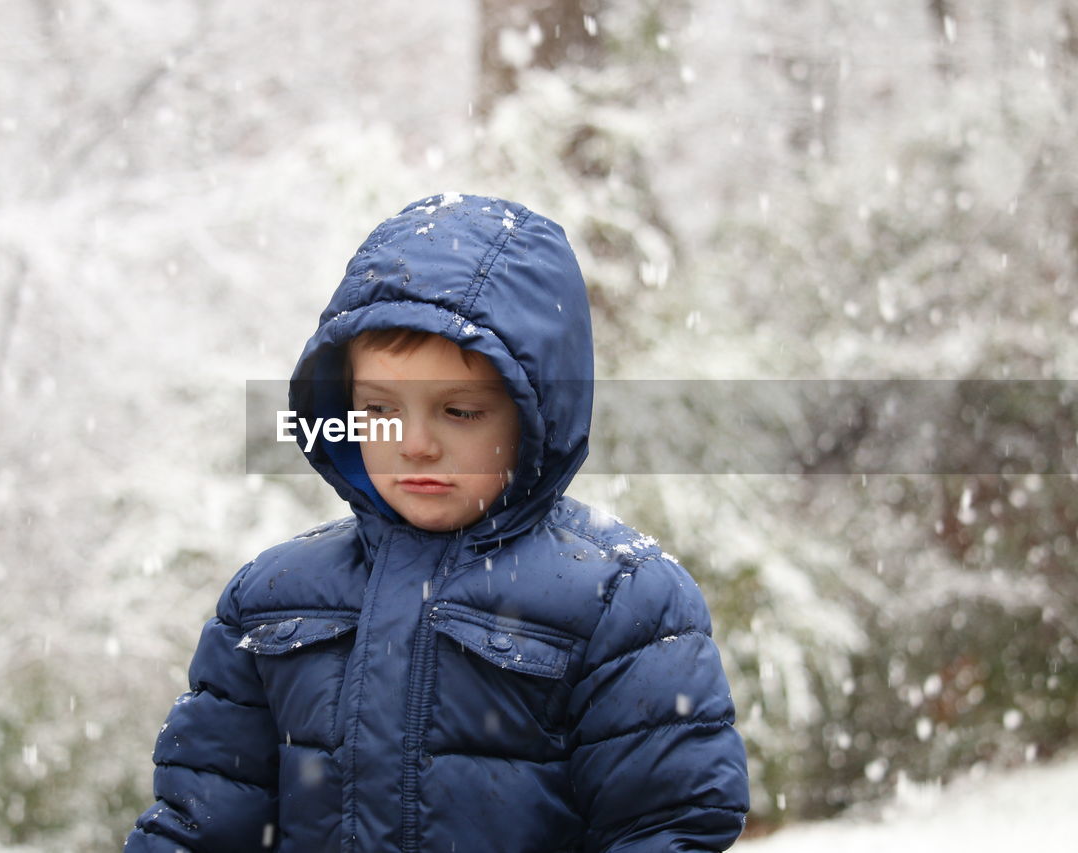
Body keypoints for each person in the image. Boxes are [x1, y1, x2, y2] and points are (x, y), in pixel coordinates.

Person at [126, 193, 749, 852]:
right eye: (379, 408)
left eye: (460, 411)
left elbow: (667, 827)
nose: (414, 444)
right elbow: (201, 824)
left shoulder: (622, 602)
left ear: (537, 414)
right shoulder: (270, 598)